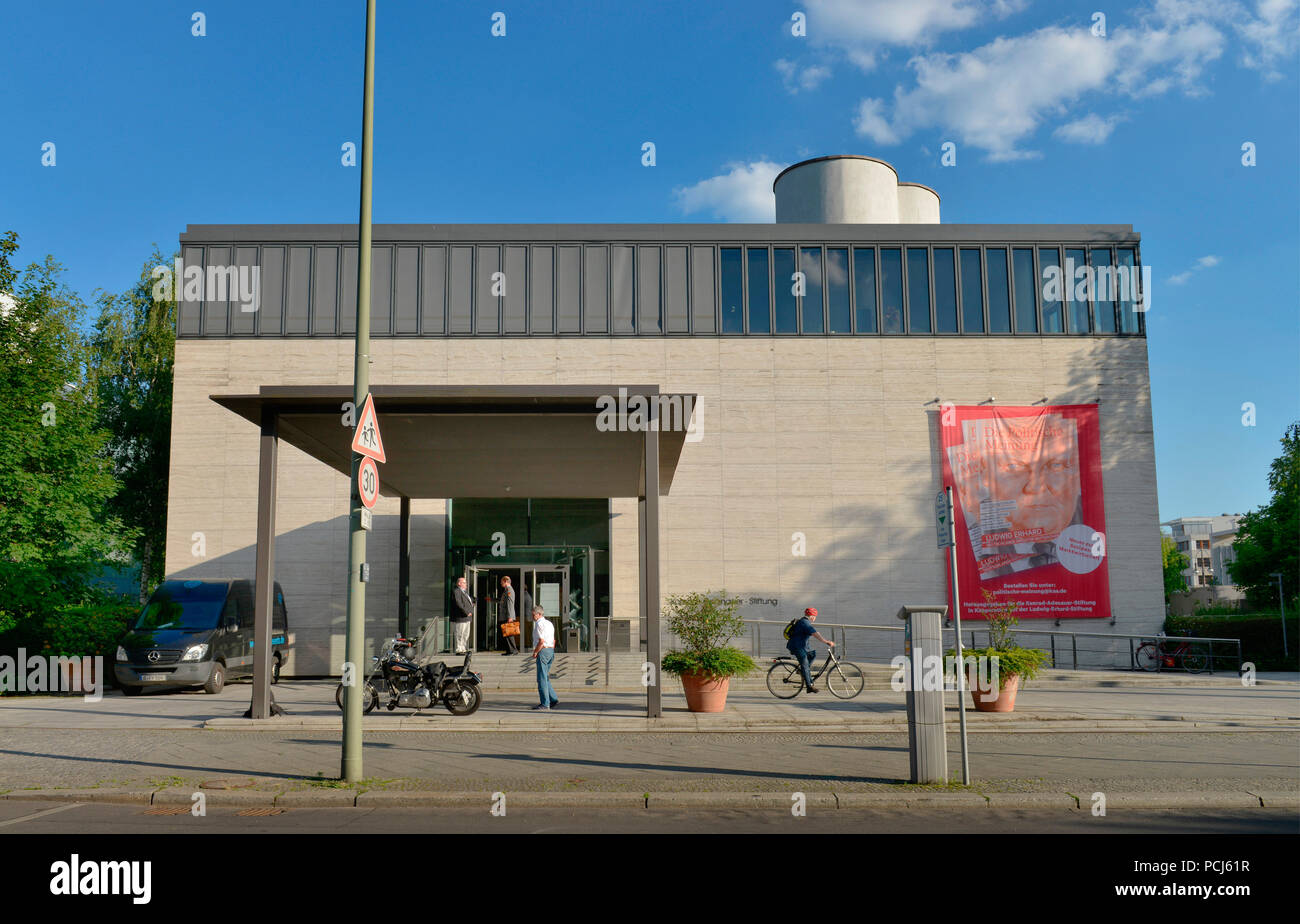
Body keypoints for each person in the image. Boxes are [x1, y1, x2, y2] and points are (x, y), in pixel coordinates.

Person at [786, 606, 833, 694]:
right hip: (797, 647)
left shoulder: (805, 622)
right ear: (812, 616)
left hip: (803, 646)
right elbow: (815, 633)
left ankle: (801, 671)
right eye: (815, 616)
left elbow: (815, 632)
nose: (815, 618)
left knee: (812, 654)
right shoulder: (805, 622)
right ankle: (809, 686)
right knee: (805, 663)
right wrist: (826, 641)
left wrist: (825, 640)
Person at [530, 605, 559, 710]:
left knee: (541, 678)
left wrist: (535, 652)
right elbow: (553, 640)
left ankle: (545, 703)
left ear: (539, 614)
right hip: (550, 650)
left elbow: (541, 641)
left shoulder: (539, 624)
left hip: (543, 650)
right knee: (545, 677)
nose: (532, 616)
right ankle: (553, 698)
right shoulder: (549, 623)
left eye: (533, 614)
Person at [450, 576, 475, 655]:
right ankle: (458, 649)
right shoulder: (456, 591)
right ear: (459, 583)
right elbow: (458, 603)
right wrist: (466, 612)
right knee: (459, 634)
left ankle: (463, 648)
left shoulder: (464, 592)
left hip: (467, 617)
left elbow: (468, 602)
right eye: (464, 582)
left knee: (465, 634)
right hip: (460, 617)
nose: (466, 584)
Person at [497, 575, 519, 655]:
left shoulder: (509, 590)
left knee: (509, 634)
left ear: (506, 581)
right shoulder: (506, 590)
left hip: (507, 616)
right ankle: (509, 650)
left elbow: (510, 603)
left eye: (502, 582)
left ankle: (513, 650)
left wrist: (510, 616)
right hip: (505, 616)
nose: (501, 583)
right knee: (506, 634)